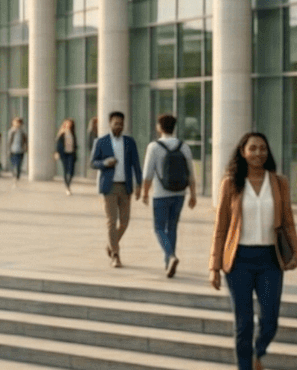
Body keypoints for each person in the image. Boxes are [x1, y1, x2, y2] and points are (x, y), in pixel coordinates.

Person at [208, 131, 297, 370]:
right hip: (238, 261)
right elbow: (221, 227)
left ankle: (256, 354)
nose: (258, 153)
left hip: (269, 259)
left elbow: (288, 221)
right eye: (253, 148)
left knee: (270, 320)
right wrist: (214, 266)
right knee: (243, 325)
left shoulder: (279, 183)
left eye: (263, 148)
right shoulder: (230, 184)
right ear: (243, 152)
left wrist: (295, 252)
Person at [139, 114, 199, 278]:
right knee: (172, 227)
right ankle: (168, 263)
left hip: (160, 194)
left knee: (159, 228)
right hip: (180, 193)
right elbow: (191, 173)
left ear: (159, 127)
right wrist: (193, 195)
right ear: (174, 127)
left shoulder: (154, 147)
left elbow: (148, 174)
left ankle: (171, 256)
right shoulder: (183, 146)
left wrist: (144, 193)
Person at [92, 111, 142, 267]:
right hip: (109, 187)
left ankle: (111, 243)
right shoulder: (101, 141)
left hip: (125, 187)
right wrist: (105, 163)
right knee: (111, 222)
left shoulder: (129, 142)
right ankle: (115, 254)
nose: (119, 126)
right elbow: (93, 162)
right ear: (110, 124)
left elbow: (136, 165)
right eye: (116, 123)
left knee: (125, 222)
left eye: (121, 123)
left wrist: (139, 185)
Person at [56, 118, 80, 195]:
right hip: (64, 154)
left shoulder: (72, 133)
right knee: (66, 170)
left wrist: (75, 148)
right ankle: (67, 187)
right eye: (68, 123)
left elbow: (75, 144)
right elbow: (58, 145)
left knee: (71, 171)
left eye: (70, 124)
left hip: (71, 154)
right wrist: (57, 152)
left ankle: (68, 184)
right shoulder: (62, 133)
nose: (69, 125)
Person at [6, 116, 28, 186]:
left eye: (19, 123)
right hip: (12, 150)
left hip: (20, 150)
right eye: (16, 122)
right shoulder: (11, 131)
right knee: (13, 164)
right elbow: (9, 141)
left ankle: (17, 176)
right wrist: (8, 150)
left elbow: (26, 140)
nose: (17, 124)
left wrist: (26, 147)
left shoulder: (23, 132)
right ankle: (14, 175)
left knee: (19, 164)